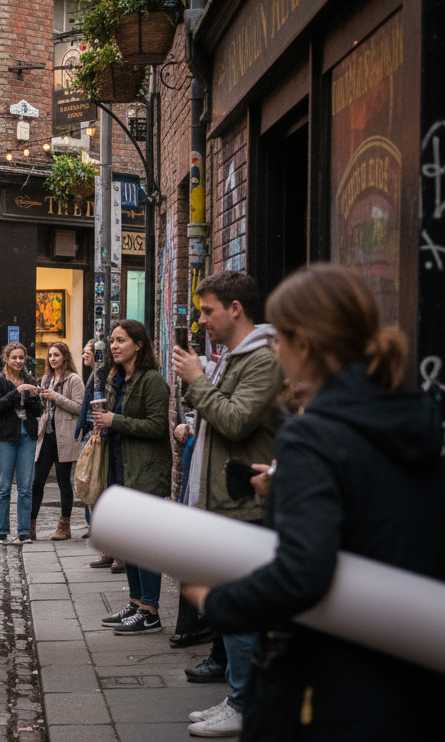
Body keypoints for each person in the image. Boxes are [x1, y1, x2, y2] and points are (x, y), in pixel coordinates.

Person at [182, 265, 445, 741]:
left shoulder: (314, 435)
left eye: (281, 339)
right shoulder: (413, 419)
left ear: (303, 343)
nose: (276, 350)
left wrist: (217, 601)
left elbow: (303, 571)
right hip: (414, 671)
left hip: (334, 683)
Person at [170, 271, 285, 736]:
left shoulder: (261, 359)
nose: (202, 321)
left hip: (245, 503)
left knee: (240, 609)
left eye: (208, 310)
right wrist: (194, 427)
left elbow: (237, 420)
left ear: (235, 309)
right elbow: (222, 417)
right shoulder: (233, 357)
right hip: (223, 499)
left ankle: (245, 703)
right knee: (233, 609)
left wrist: (197, 381)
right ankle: (239, 695)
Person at [94, 319, 172, 635]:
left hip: (145, 471)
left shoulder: (152, 380)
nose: (114, 346)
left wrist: (116, 420)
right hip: (119, 465)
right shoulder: (117, 378)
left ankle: (150, 611)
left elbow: (156, 426)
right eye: (112, 340)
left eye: (121, 340)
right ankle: (137, 602)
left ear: (138, 345)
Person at [0, 342, 42, 544]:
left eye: (21, 358)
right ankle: (2, 532)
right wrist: (18, 392)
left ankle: (24, 532)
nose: (18, 361)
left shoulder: (30, 379)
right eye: (14, 358)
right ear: (6, 359)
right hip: (4, 439)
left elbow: (38, 412)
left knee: (26, 487)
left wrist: (33, 396)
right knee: (3, 487)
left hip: (27, 437)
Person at [32, 342, 85, 541]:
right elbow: (44, 409)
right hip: (46, 436)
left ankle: (65, 527)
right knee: (37, 482)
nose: (52, 359)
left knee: (64, 482)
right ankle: (31, 527)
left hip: (64, 437)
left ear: (65, 356)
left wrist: (56, 396)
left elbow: (80, 408)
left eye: (56, 355)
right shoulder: (46, 378)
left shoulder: (74, 380)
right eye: (50, 355)